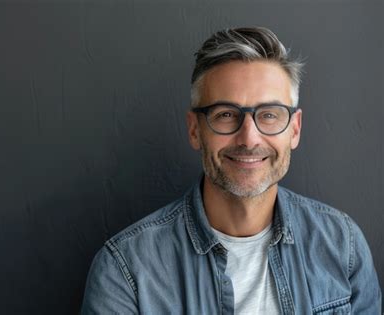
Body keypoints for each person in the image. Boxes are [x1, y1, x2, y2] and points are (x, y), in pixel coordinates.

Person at [81, 27, 381, 314]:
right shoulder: (126, 268)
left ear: (295, 129)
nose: (249, 139)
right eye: (226, 115)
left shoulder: (343, 244)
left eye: (269, 115)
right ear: (195, 130)